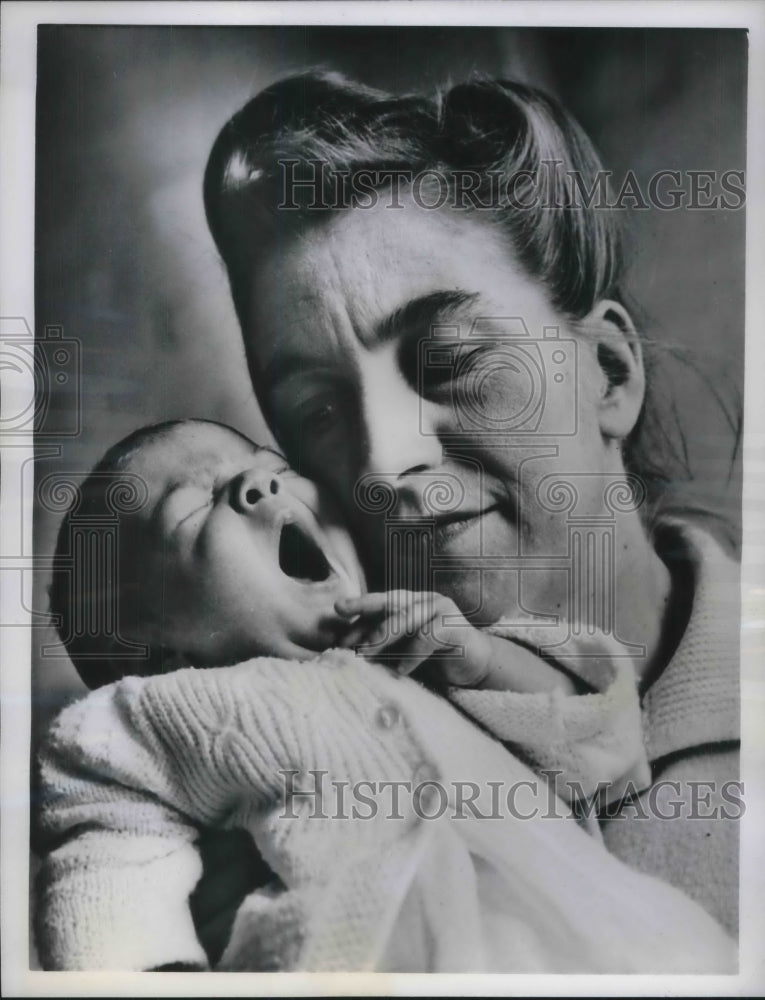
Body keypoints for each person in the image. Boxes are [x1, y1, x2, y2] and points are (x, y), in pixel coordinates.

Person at [202, 71, 741, 936]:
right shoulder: (276, 786)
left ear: (608, 372)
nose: (384, 458)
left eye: (448, 360)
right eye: (321, 411)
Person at [35, 418, 733, 973]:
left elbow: (601, 755)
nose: (259, 485)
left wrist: (483, 663)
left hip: (609, 942)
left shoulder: (422, 654)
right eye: (194, 509)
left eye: (273, 468)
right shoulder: (159, 716)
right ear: (158, 650)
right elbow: (108, 857)